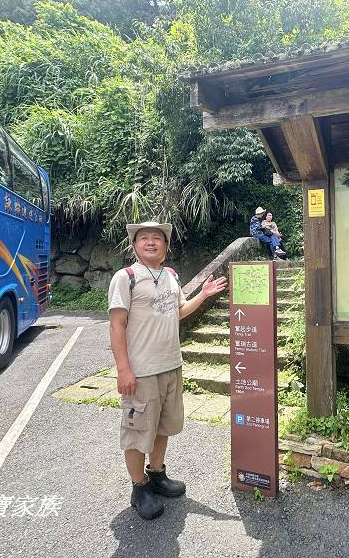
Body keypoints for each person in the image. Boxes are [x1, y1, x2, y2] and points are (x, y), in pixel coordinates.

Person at [108, 221, 227, 520]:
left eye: (157, 238)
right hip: (142, 371)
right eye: (144, 238)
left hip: (171, 366)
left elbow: (178, 312)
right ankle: (139, 487)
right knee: (137, 433)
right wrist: (124, 369)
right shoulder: (126, 278)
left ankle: (157, 474)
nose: (151, 242)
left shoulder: (171, 276)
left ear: (166, 245)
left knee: (164, 425)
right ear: (134, 245)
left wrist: (203, 295)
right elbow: (116, 325)